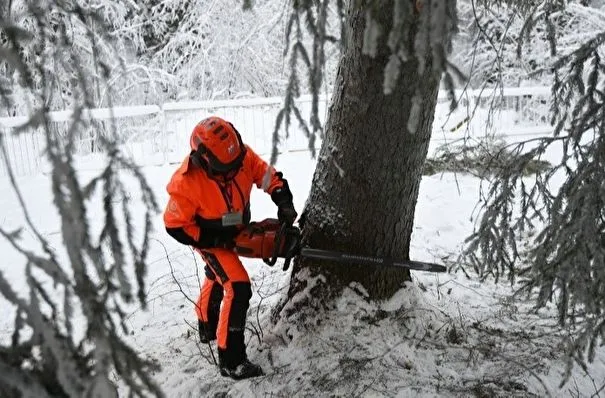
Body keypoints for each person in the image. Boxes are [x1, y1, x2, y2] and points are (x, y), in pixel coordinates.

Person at [163, 116, 297, 380]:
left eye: (236, 166)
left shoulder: (240, 156)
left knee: (218, 274)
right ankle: (231, 359)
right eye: (227, 170)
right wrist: (211, 239)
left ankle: (206, 322)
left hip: (235, 226)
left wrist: (283, 198)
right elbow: (174, 225)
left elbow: (265, 173)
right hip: (208, 237)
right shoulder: (186, 183)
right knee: (237, 286)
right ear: (204, 161)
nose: (235, 172)